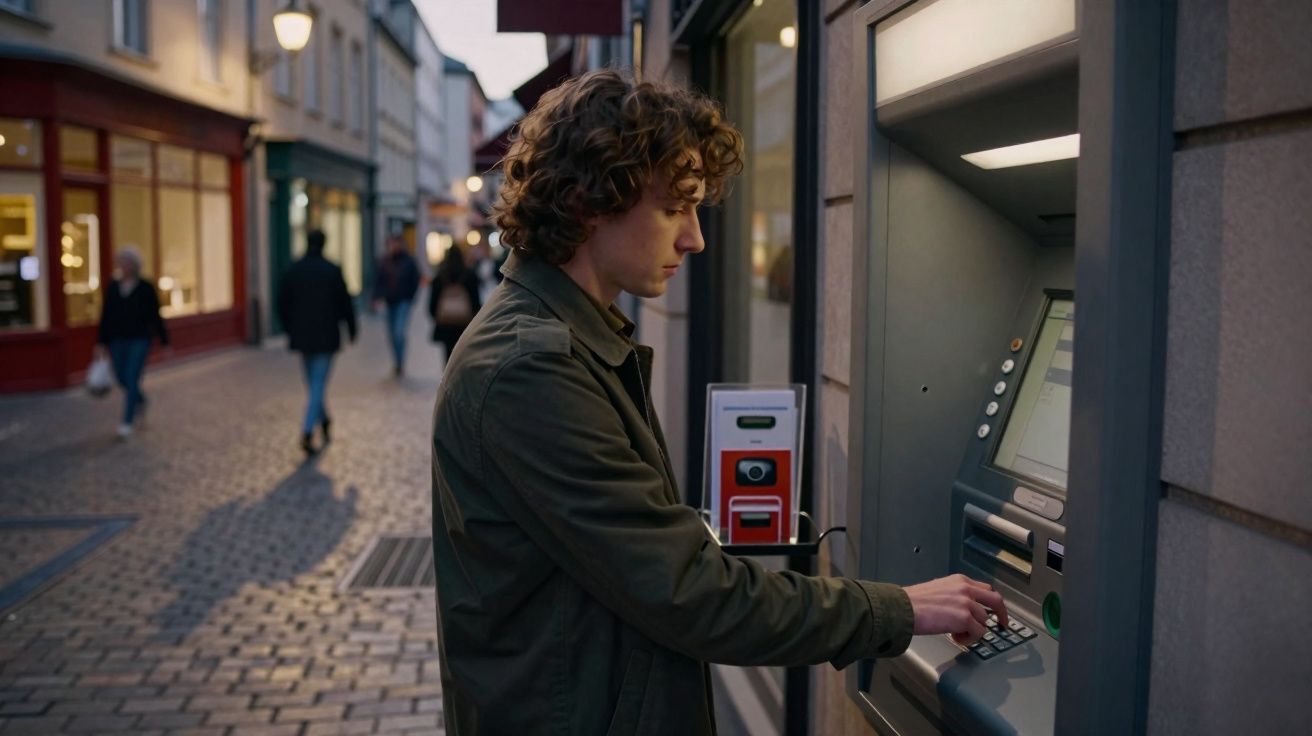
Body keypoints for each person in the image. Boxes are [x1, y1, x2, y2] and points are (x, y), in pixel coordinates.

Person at [429, 69, 1007, 735]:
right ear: (591, 202)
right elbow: (692, 594)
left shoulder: (566, 339)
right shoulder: (532, 367)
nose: (695, 239)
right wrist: (898, 610)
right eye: (675, 207)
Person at [278, 229, 357, 455]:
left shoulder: (295, 269)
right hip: (325, 335)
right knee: (317, 385)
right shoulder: (331, 270)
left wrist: (288, 327)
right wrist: (351, 329)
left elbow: (282, 301)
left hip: (303, 337)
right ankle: (312, 428)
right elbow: (345, 302)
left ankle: (315, 425)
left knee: (314, 384)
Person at [96, 247, 169, 439]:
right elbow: (106, 316)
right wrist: (101, 342)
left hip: (139, 339)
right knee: (121, 377)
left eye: (127, 262)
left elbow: (155, 315)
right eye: (121, 262)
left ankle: (127, 422)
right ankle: (141, 400)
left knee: (132, 376)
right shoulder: (113, 286)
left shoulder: (145, 287)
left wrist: (164, 340)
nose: (124, 266)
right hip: (117, 339)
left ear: (135, 265)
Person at [371, 235, 421, 376]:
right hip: (389, 301)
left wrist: (410, 297)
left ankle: (400, 362)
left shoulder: (409, 261)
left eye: (395, 244)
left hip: (403, 302)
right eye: (390, 244)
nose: (393, 247)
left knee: (399, 332)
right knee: (391, 334)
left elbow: (415, 280)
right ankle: (397, 360)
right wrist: (375, 297)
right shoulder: (384, 261)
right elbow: (378, 281)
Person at [426, 244, 481, 361]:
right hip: (464, 325)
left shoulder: (440, 277)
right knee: (463, 357)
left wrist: (438, 316)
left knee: (448, 357)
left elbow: (432, 305)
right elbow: (476, 302)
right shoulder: (470, 275)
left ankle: (448, 377)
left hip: (446, 326)